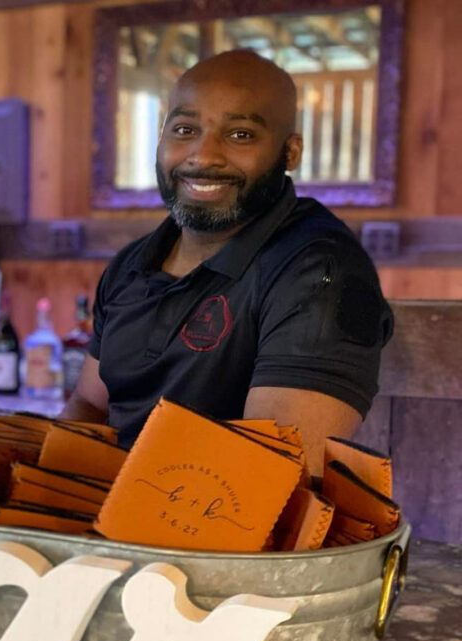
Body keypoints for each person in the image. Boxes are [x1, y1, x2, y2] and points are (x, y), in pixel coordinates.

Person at [61, 50, 393, 476]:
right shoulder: (131, 264)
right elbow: (90, 404)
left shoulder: (322, 273)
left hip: (219, 530)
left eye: (240, 135)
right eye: (185, 129)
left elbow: (267, 476)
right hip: (104, 524)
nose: (203, 155)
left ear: (290, 153)